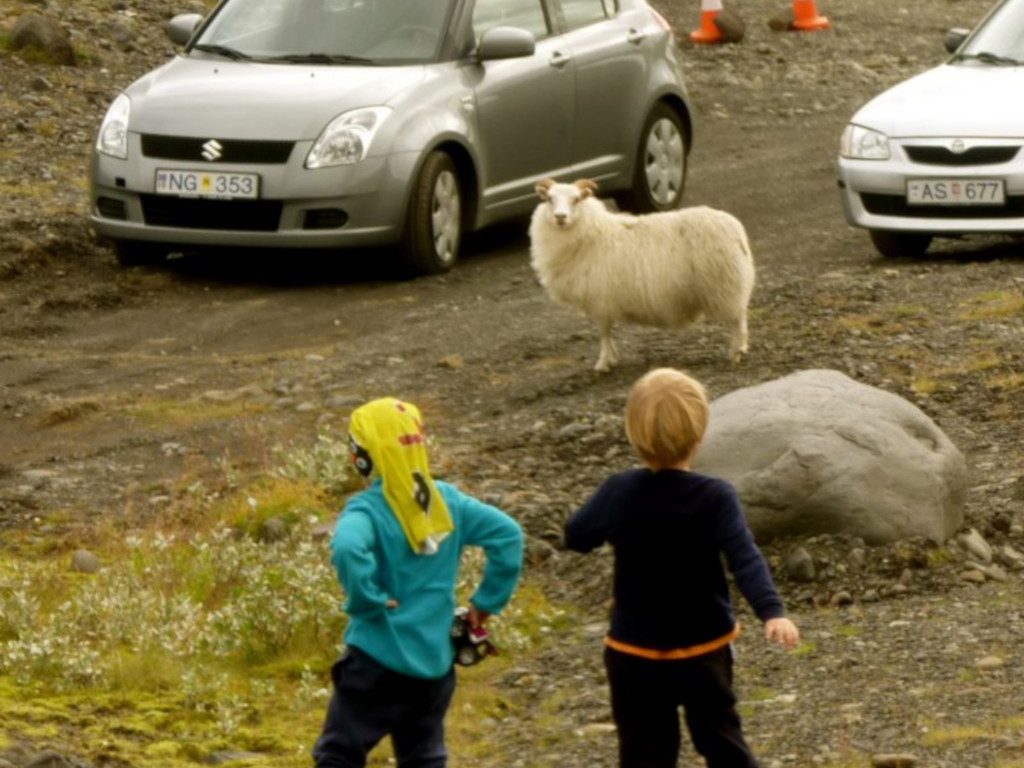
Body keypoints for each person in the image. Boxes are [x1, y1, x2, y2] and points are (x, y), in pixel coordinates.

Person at [564, 368, 800, 768]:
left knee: (644, 754)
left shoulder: (618, 490)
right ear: (700, 431)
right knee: (722, 742)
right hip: (702, 652)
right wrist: (772, 612)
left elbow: (576, 536)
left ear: (632, 431)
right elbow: (744, 558)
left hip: (632, 654)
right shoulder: (715, 496)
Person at [313, 397, 524, 768]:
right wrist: (486, 603)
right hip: (433, 669)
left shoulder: (368, 510)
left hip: (374, 665)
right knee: (424, 758)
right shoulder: (448, 502)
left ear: (362, 456)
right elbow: (509, 536)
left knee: (339, 754)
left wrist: (366, 599)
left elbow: (347, 547)